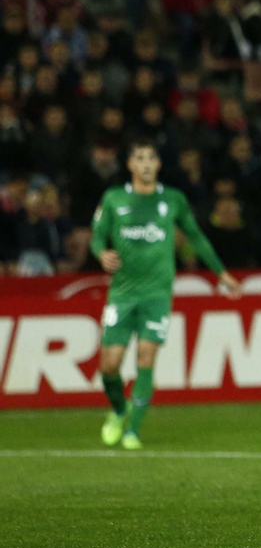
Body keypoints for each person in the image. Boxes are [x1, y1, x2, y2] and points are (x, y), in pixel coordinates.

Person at [91, 138, 242, 450]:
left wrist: (221, 273)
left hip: (157, 294)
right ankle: (120, 410)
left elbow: (196, 237)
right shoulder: (114, 197)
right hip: (121, 293)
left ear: (158, 164)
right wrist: (101, 254)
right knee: (109, 365)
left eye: (151, 158)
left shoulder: (173, 199)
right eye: (139, 158)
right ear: (130, 165)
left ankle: (133, 430)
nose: (146, 164)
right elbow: (96, 235)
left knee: (146, 357)